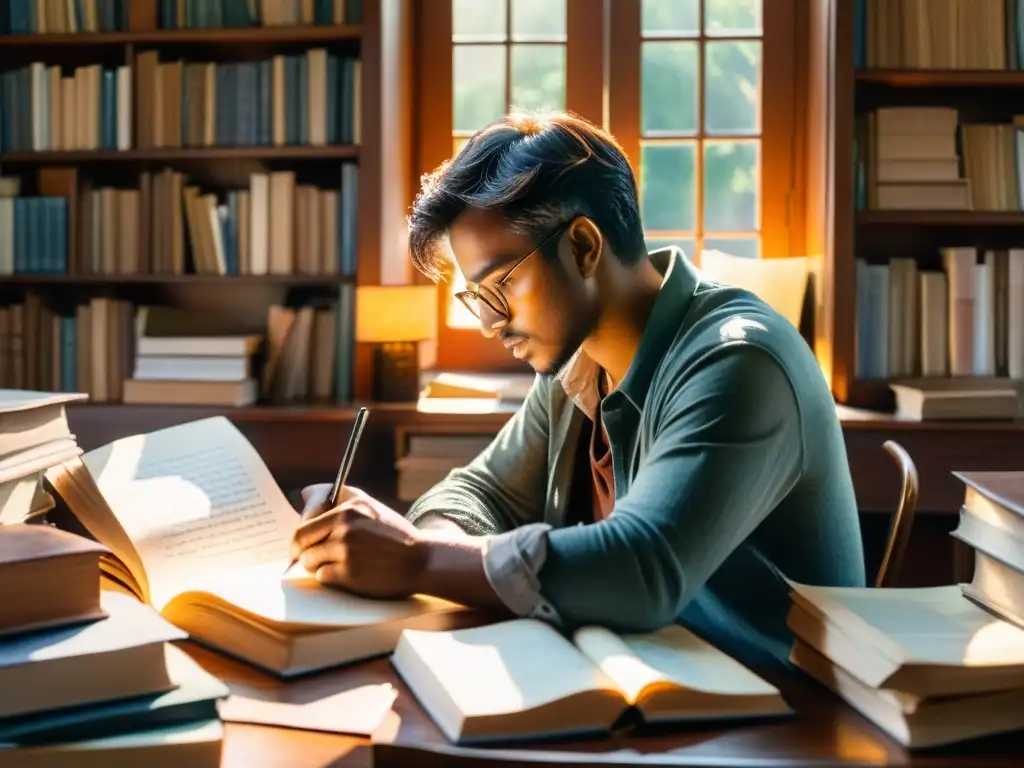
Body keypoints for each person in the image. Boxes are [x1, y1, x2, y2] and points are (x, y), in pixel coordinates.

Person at [290, 112, 866, 668]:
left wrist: (418, 560)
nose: (490, 324)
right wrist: (414, 545)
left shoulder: (739, 359)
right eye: (476, 298)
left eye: (502, 285)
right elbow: (478, 493)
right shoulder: (576, 364)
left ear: (585, 247)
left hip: (782, 720)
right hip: (642, 681)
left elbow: (643, 568)